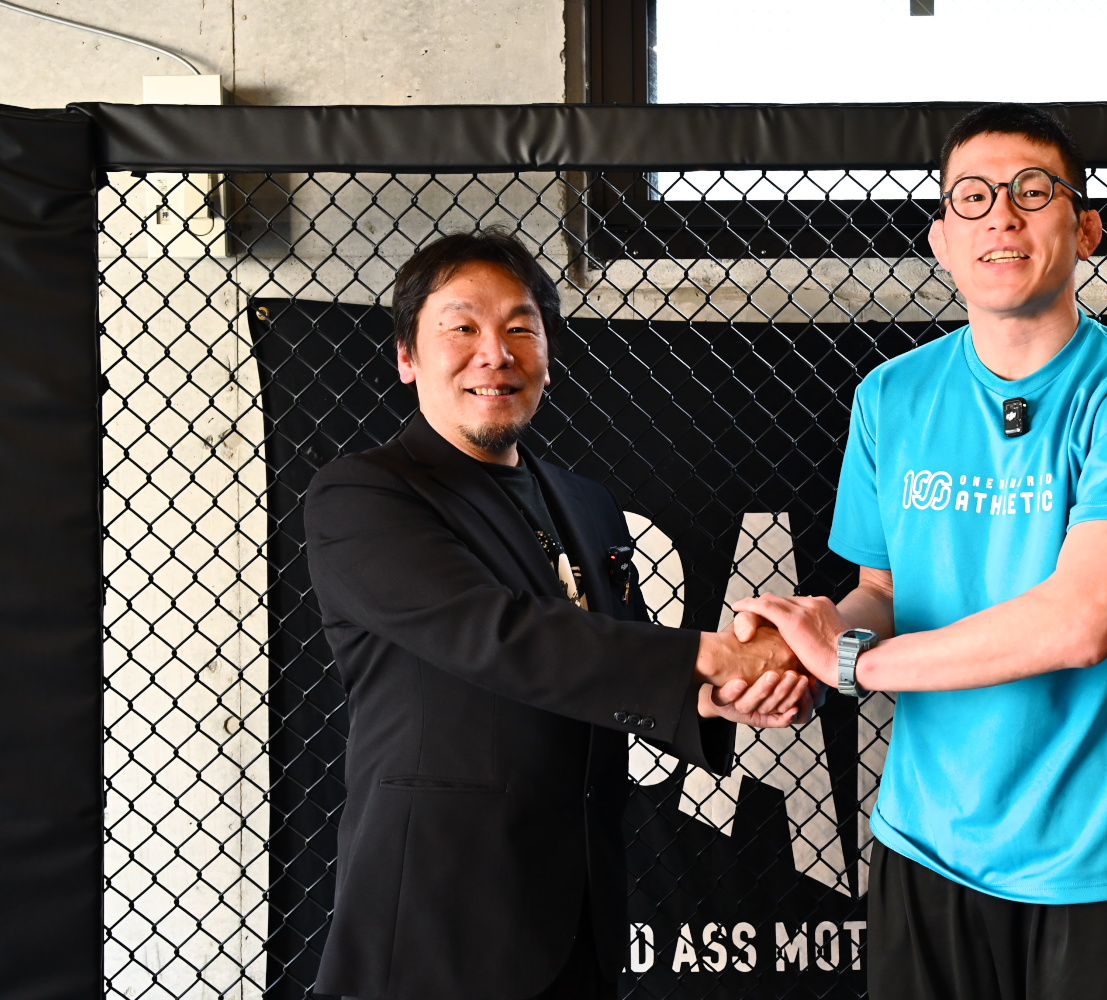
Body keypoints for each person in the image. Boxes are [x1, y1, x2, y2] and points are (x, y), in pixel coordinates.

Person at [735, 103, 1107, 1000]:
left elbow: (1081, 623)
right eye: (974, 197)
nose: (1003, 216)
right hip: (921, 843)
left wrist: (850, 667)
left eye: (1033, 190)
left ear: (1087, 229)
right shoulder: (891, 395)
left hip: (1082, 862)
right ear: (942, 240)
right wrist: (810, 637)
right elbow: (883, 593)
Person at [304, 227, 810, 1000]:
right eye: (462, 328)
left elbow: (614, 655)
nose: (494, 354)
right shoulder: (364, 495)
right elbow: (500, 636)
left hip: (579, 914)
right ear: (407, 357)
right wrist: (719, 655)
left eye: (520, 328)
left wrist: (727, 693)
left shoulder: (586, 502)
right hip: (435, 925)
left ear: (547, 353)